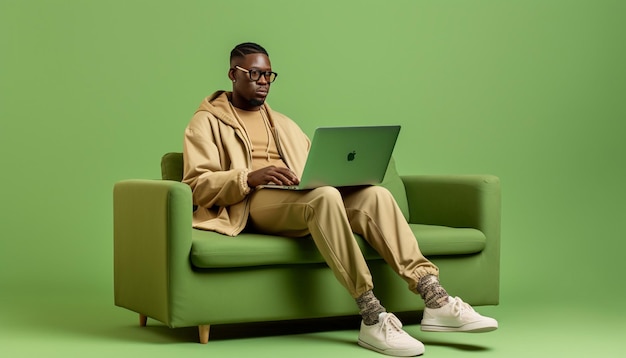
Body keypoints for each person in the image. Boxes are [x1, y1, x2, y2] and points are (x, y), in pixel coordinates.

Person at [182, 42, 498, 357]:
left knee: (374, 195)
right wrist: (248, 177)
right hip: (251, 205)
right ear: (232, 75)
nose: (263, 81)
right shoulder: (206, 122)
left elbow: (311, 173)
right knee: (323, 197)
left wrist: (340, 178)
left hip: (299, 199)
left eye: (268, 75)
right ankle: (372, 315)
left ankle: (435, 298)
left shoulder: (285, 124)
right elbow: (195, 185)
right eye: (254, 74)